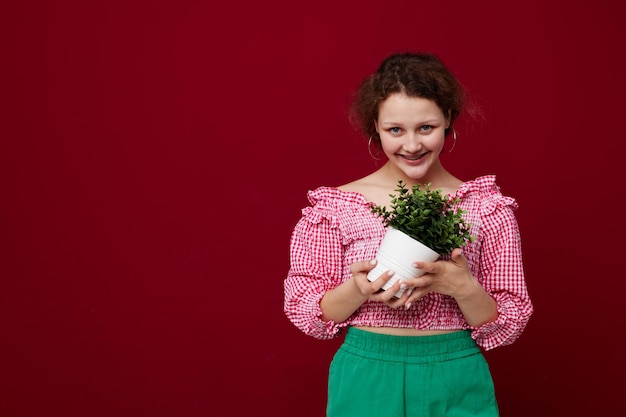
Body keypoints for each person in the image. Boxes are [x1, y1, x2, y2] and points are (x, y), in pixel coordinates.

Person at [283, 51, 533, 417]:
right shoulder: (336, 209)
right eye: (395, 130)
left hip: (455, 373)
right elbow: (307, 313)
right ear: (375, 127)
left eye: (426, 128)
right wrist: (358, 288)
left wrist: (462, 286)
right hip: (367, 374)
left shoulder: (485, 208)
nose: (412, 145)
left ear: (448, 119)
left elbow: (509, 321)